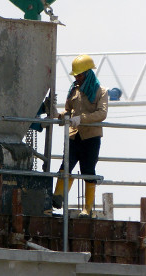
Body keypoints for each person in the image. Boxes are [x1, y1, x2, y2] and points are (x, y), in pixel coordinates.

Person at [52, 54, 108, 217]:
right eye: (76, 75)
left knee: (88, 170)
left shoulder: (100, 92)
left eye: (80, 75)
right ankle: (58, 197)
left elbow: (101, 114)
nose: (77, 78)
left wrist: (81, 119)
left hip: (91, 137)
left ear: (88, 74)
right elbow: (69, 111)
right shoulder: (73, 91)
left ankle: (87, 208)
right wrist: (60, 115)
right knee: (65, 166)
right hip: (73, 136)